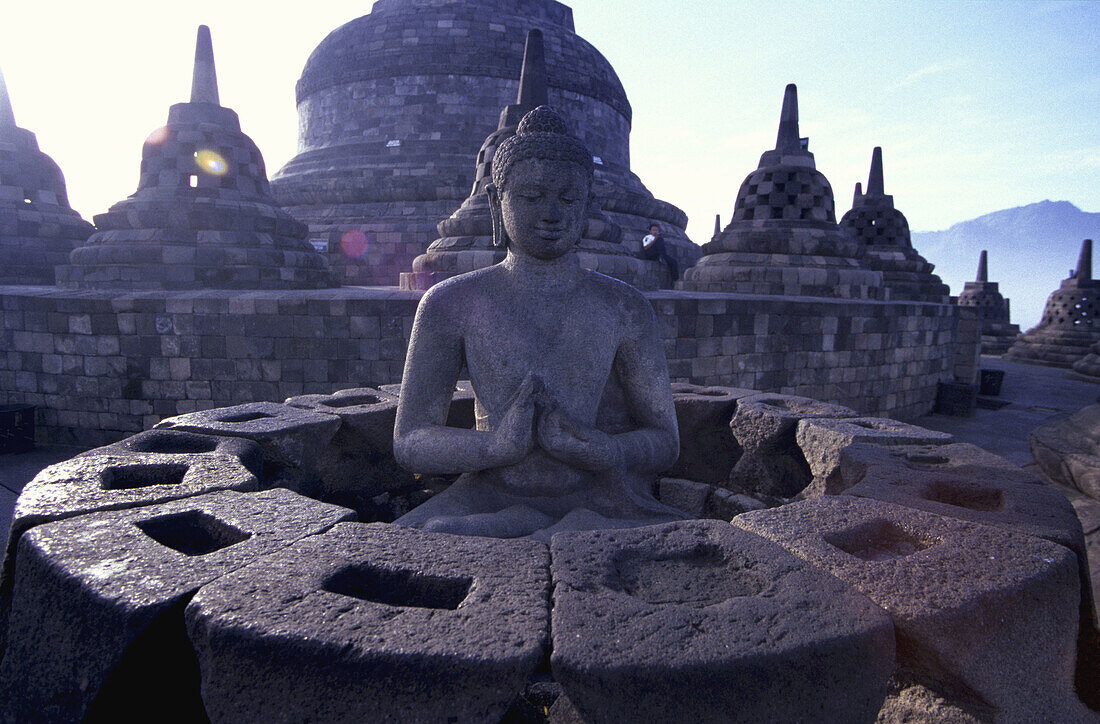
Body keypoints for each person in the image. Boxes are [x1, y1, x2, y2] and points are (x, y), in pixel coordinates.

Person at [392, 106, 686, 540]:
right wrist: (494, 448)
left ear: (588, 208)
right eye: (531, 197)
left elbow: (665, 440)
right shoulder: (451, 303)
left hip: (598, 497)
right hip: (486, 494)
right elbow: (410, 440)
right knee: (425, 538)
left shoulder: (625, 307)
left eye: (568, 200)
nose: (552, 214)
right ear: (497, 201)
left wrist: (608, 451)